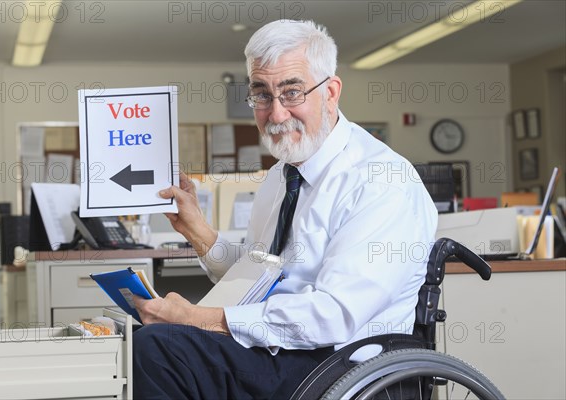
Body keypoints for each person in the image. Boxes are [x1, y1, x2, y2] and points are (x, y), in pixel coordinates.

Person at [133, 19, 438, 399]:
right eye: (261, 94)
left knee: (159, 349)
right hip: (283, 351)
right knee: (145, 335)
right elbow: (259, 280)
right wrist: (198, 231)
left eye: (292, 92)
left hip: (342, 367)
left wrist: (197, 319)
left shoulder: (381, 180)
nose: (276, 114)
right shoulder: (281, 176)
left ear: (330, 92)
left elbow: (334, 315)